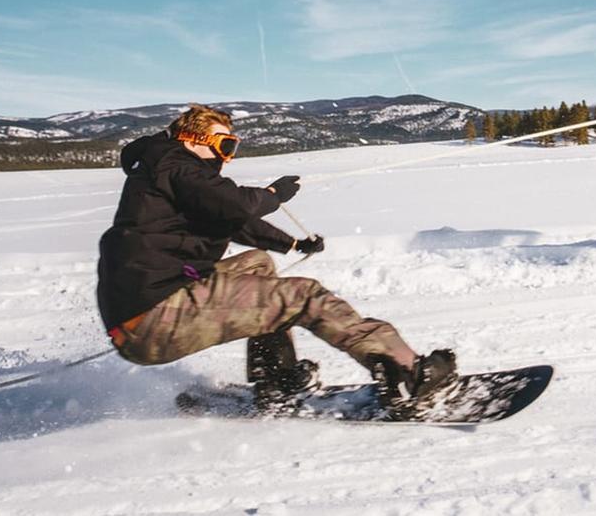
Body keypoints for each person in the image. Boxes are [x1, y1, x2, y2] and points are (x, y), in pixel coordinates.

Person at [96, 103, 455, 412]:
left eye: (232, 147)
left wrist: (293, 244)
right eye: (224, 145)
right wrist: (273, 194)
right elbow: (235, 205)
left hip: (146, 311)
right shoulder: (177, 165)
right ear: (193, 140)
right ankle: (407, 375)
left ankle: (275, 379)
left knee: (257, 263)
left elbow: (236, 221)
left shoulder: (167, 171)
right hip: (156, 317)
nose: (227, 156)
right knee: (303, 295)